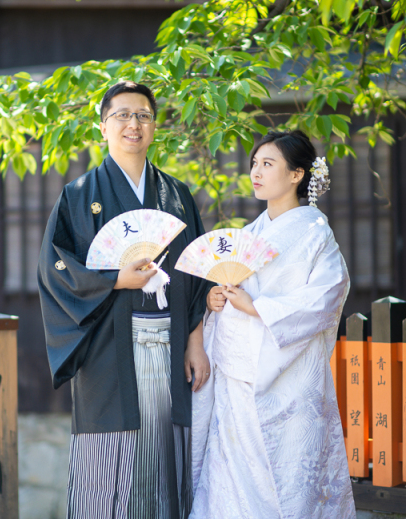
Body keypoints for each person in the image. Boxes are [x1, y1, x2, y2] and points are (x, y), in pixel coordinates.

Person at [38, 81, 211, 519]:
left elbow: (195, 272)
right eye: (122, 115)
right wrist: (116, 279)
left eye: (143, 116)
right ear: (103, 127)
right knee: (107, 456)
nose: (133, 124)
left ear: (154, 127)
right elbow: (55, 268)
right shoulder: (79, 196)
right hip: (108, 349)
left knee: (164, 456)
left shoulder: (176, 195)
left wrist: (195, 341)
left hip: (171, 346)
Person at [190, 130, 356, 518]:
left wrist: (258, 307)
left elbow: (328, 295)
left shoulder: (315, 232)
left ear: (297, 174)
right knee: (231, 475)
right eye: (254, 164)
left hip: (287, 376)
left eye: (268, 164)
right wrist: (215, 299)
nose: (256, 172)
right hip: (236, 375)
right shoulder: (249, 234)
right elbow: (231, 289)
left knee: (284, 478)